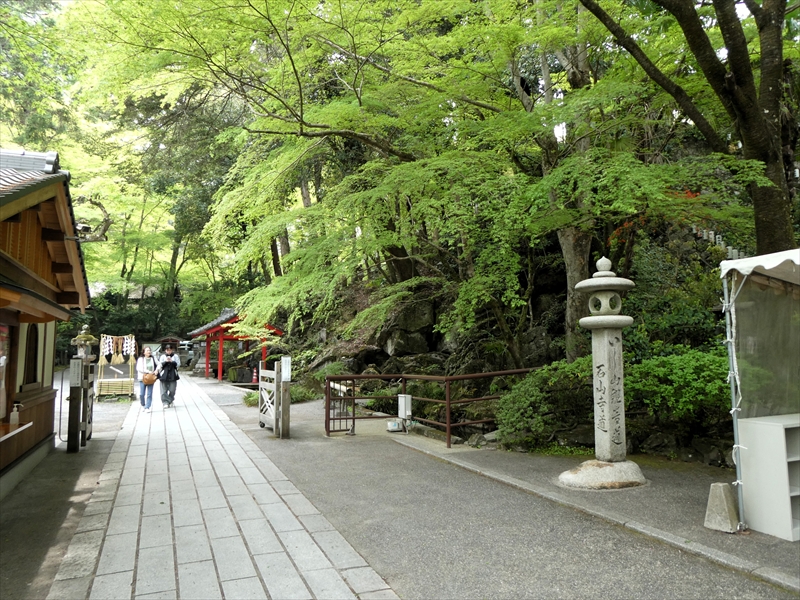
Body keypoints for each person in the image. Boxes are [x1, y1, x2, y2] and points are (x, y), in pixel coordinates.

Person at [157, 343, 180, 408]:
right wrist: (165, 361)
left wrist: (172, 361)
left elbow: (178, 364)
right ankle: (165, 402)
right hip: (164, 374)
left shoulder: (175, 356)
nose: (169, 351)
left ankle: (170, 399)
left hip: (173, 374)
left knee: (172, 389)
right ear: (165, 350)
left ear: (172, 350)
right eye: (167, 350)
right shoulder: (162, 356)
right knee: (163, 390)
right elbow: (160, 365)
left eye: (170, 350)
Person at [136, 347, 158, 412]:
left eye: (149, 350)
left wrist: (156, 370)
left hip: (151, 378)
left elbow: (159, 364)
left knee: (149, 393)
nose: (149, 351)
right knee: (142, 393)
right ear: (144, 352)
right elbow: (139, 368)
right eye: (147, 350)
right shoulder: (141, 359)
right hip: (142, 377)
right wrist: (148, 371)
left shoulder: (153, 358)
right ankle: (143, 404)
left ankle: (147, 407)